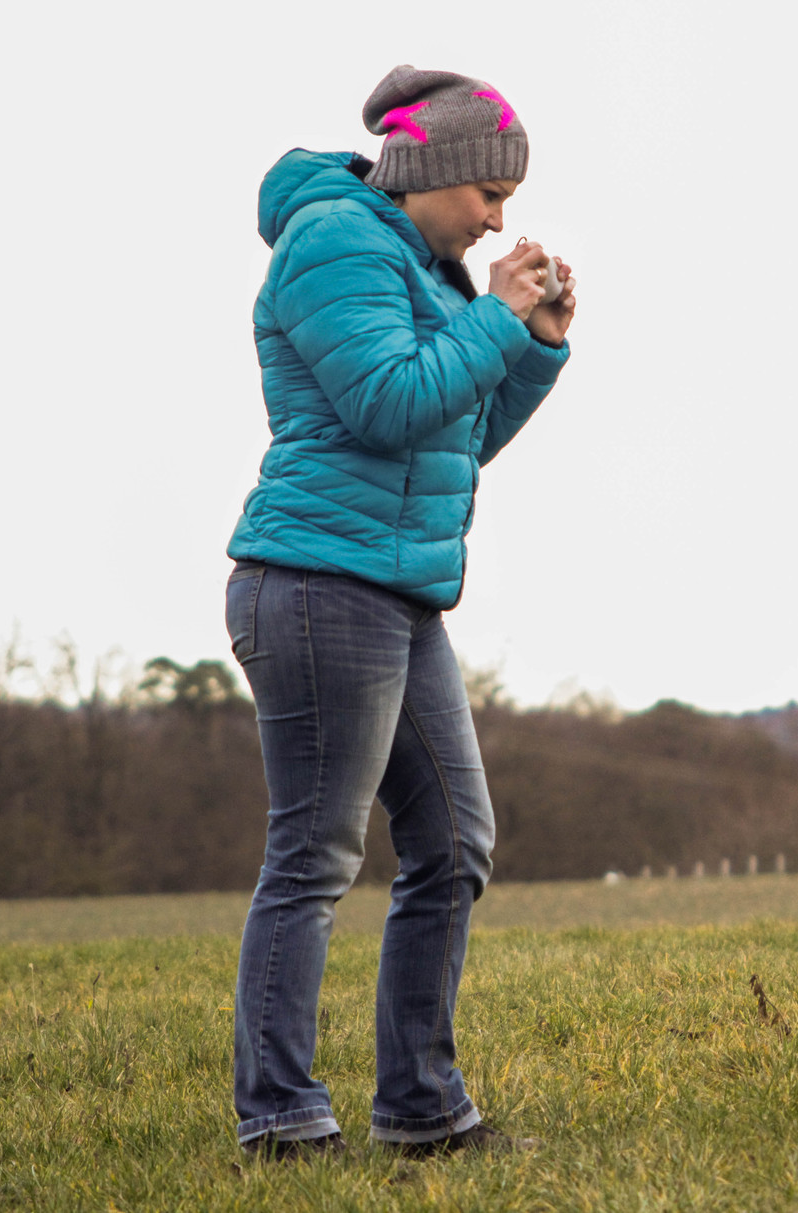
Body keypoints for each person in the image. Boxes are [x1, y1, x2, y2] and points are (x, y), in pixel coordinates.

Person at [223, 65, 574, 1160]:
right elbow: (384, 407)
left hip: (395, 590)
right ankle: (280, 1115)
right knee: (317, 855)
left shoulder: (424, 269)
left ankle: (420, 1109)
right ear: (431, 174)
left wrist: (538, 343)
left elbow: (450, 441)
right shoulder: (336, 242)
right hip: (317, 586)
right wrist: (497, 322)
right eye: (489, 195)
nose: (499, 219)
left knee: (455, 843)